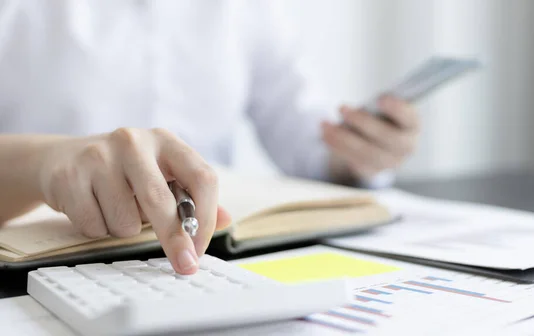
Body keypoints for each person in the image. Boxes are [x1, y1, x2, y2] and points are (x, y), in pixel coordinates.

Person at [0, 1, 420, 274]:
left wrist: (361, 151)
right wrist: (43, 163)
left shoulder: (249, 10)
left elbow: (304, 140)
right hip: (41, 268)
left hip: (213, 259)